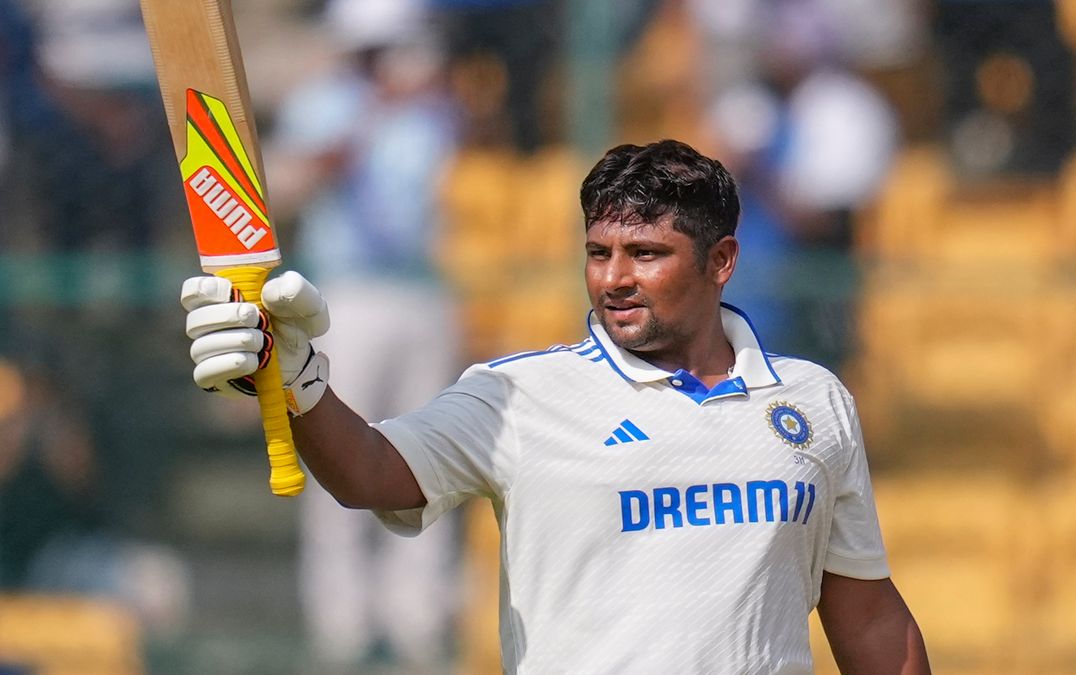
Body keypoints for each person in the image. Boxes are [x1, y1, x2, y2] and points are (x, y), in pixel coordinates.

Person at [181, 139, 930, 674]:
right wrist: (297, 378)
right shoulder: (518, 394)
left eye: (646, 253)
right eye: (599, 252)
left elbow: (868, 618)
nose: (614, 278)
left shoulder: (813, 400)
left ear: (722, 261)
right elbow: (371, 472)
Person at [262, 0, 464, 669]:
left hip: (425, 291)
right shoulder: (322, 103)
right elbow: (287, 187)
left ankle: (417, 622)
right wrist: (371, 112)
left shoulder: (437, 109)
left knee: (431, 455)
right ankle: (342, 627)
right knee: (334, 452)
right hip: (345, 296)